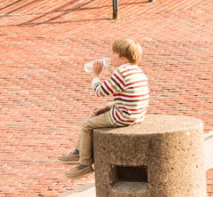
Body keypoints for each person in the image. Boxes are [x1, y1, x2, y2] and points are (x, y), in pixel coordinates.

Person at [57, 39, 149, 179]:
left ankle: (84, 164)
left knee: (87, 125)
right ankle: (78, 151)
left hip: (123, 116)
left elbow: (100, 91)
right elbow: (128, 98)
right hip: (135, 113)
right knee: (93, 116)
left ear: (123, 58)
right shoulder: (137, 72)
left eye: (114, 54)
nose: (111, 57)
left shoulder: (121, 73)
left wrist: (95, 75)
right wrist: (105, 108)